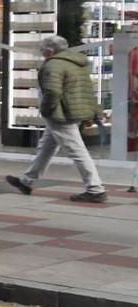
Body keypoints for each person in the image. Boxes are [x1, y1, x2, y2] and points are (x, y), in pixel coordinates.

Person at [7, 35, 107, 203]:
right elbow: (87, 90)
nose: (41, 52)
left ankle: (95, 189)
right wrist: (95, 111)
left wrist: (46, 110)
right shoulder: (77, 63)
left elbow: (52, 92)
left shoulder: (53, 65)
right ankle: (27, 181)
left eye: (42, 50)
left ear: (49, 50)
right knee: (46, 148)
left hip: (60, 114)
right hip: (70, 112)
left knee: (77, 151)